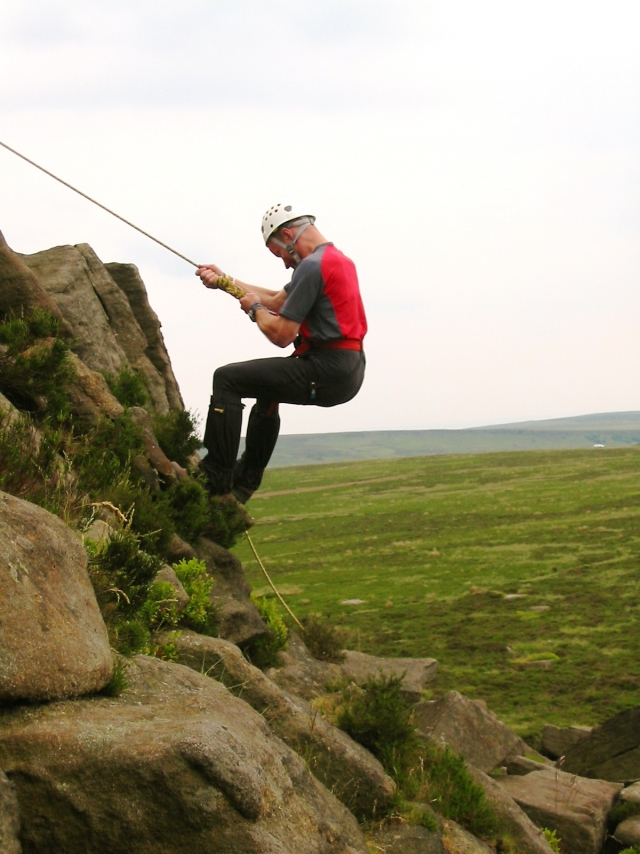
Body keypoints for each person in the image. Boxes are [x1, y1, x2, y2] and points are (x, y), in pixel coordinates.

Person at [195, 202, 367, 504]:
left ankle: (216, 478)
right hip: (347, 368)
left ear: (289, 235)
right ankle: (244, 482)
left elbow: (281, 334)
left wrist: (254, 310)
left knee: (227, 380)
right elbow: (276, 299)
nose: (286, 264)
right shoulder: (333, 261)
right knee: (267, 389)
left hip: (327, 368)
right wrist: (226, 282)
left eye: (280, 254)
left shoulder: (312, 267)